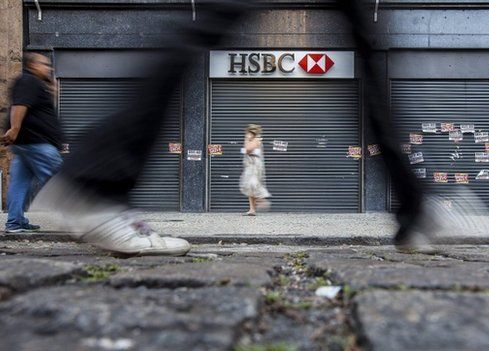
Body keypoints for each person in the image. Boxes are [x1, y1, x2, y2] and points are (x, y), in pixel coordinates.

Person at [33, 0, 423, 256]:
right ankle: (93, 186)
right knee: (211, 22)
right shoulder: (253, 140)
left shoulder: (254, 142)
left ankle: (415, 204)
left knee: (362, 40)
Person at [0, 53, 63, 233]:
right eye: (45, 64)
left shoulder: (34, 83)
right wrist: (14, 129)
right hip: (37, 143)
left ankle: (14, 223)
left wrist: (50, 88)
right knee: (62, 184)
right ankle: (87, 221)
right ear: (33, 65)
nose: (49, 68)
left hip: (26, 145)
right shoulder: (29, 81)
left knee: (19, 184)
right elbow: (20, 105)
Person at [240, 124, 271, 216]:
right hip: (250, 165)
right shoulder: (252, 140)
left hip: (255, 166)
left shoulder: (256, 140)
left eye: (248, 133)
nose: (247, 134)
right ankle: (252, 209)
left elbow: (248, 149)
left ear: (252, 133)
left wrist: (246, 140)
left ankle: (262, 200)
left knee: (253, 185)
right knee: (249, 188)